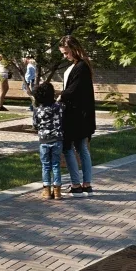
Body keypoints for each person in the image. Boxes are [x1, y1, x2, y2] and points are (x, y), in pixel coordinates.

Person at [59, 36, 97, 194]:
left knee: (68, 148)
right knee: (82, 148)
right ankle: (86, 183)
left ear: (74, 49)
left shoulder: (81, 67)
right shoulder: (81, 65)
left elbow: (73, 90)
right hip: (80, 114)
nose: (65, 56)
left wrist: (60, 97)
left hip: (75, 114)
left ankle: (76, 184)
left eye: (66, 52)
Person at [31, 81, 63, 200]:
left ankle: (46, 190)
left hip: (44, 140)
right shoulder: (59, 107)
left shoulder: (37, 110)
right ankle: (57, 191)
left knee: (45, 165)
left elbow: (35, 125)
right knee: (56, 165)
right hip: (57, 139)